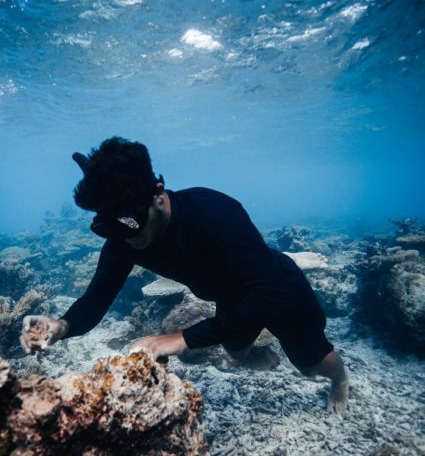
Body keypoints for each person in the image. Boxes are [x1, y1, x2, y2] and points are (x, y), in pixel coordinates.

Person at [21, 137, 349, 413]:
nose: (127, 238)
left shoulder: (214, 212)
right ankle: (252, 322)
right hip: (232, 299)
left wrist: (181, 339)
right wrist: (61, 326)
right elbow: (95, 300)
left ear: (158, 194)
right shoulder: (125, 237)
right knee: (236, 355)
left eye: (131, 225)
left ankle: (340, 380)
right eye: (111, 229)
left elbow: (271, 294)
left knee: (311, 367)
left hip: (277, 289)